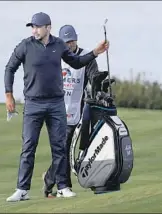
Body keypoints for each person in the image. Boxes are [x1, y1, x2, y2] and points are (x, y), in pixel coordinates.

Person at [5, 12, 109, 202]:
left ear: (48, 28)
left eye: (37, 27)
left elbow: (76, 62)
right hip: (33, 103)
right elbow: (10, 68)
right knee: (28, 146)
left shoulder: (58, 45)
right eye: (33, 27)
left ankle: (63, 187)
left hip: (55, 103)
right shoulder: (25, 45)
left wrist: (95, 52)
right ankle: (22, 189)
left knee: (59, 147)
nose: (34, 30)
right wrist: (8, 95)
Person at [42, 25, 99, 198]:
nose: (69, 45)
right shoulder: (54, 57)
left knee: (66, 149)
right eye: (66, 42)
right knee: (64, 149)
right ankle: (62, 186)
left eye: (72, 41)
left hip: (78, 112)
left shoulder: (86, 57)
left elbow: (94, 77)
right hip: (57, 112)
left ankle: (50, 180)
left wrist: (99, 85)